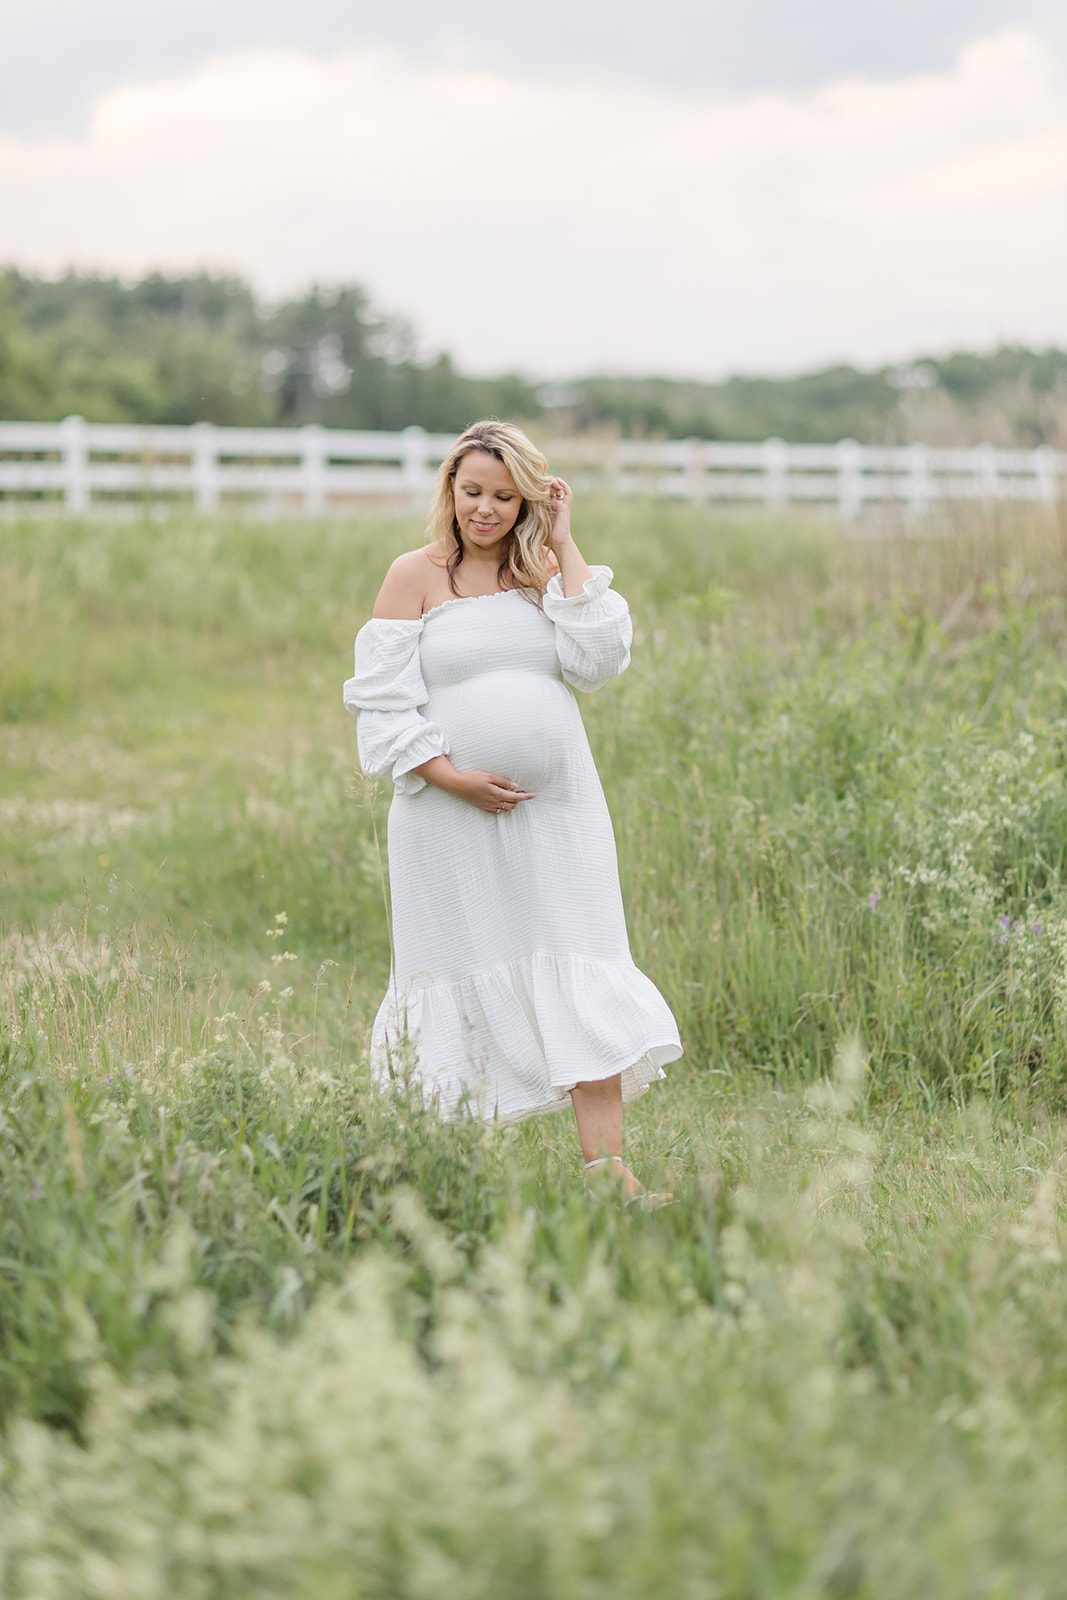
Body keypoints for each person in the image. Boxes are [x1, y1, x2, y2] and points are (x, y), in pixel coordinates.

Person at [343, 420, 682, 1202]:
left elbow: (597, 663)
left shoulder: (543, 576)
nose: (485, 510)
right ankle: (434, 1177)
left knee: (578, 961)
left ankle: (609, 1178)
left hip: (557, 815)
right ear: (449, 491)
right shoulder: (414, 576)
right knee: (453, 972)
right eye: (471, 493)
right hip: (444, 815)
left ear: (528, 499)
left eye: (504, 496)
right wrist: (449, 775)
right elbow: (380, 703)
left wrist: (565, 545)